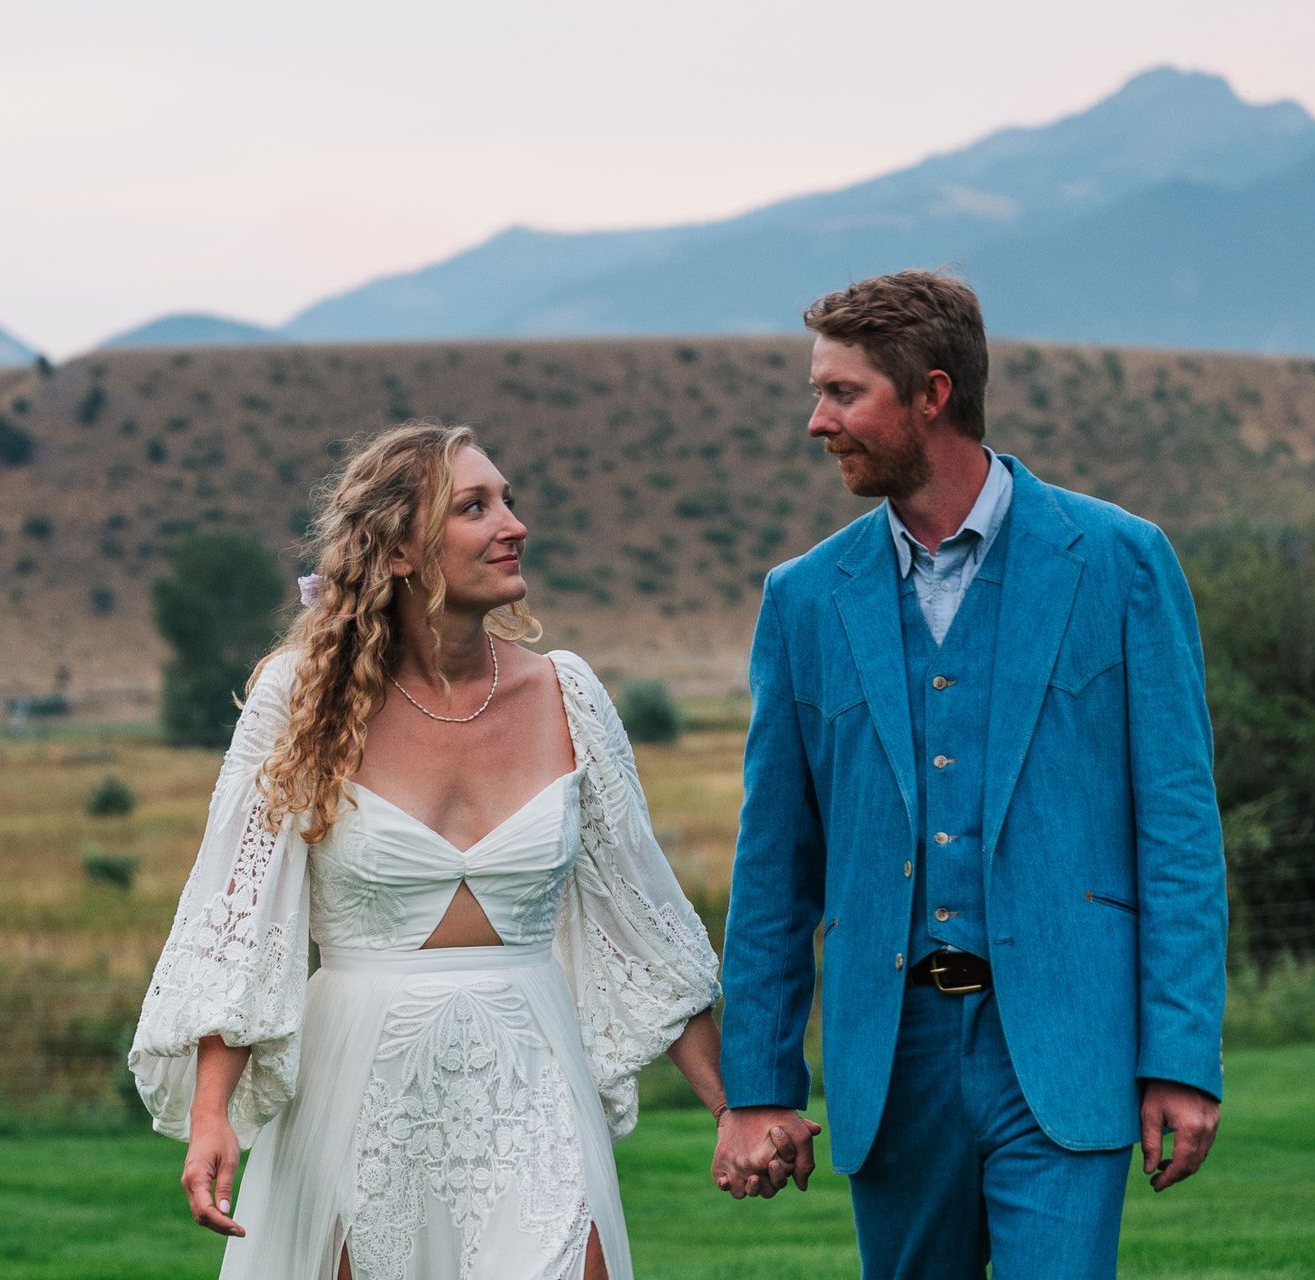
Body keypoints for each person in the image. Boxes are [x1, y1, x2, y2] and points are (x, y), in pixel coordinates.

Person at [128, 422, 746, 1280]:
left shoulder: (567, 693)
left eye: (509, 501)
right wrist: (210, 1117)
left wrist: (734, 1111)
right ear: (401, 552)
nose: (513, 523)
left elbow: (645, 925)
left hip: (534, 1079)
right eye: (474, 507)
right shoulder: (298, 699)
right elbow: (240, 922)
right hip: (360, 1084)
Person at [713, 271, 1228, 1277]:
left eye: (844, 393)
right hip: (891, 1061)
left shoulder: (1121, 562)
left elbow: (1178, 830)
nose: (818, 421)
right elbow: (774, 865)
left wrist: (1178, 1056)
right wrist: (762, 1082)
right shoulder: (806, 600)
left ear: (933, 393)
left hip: (1065, 1046)